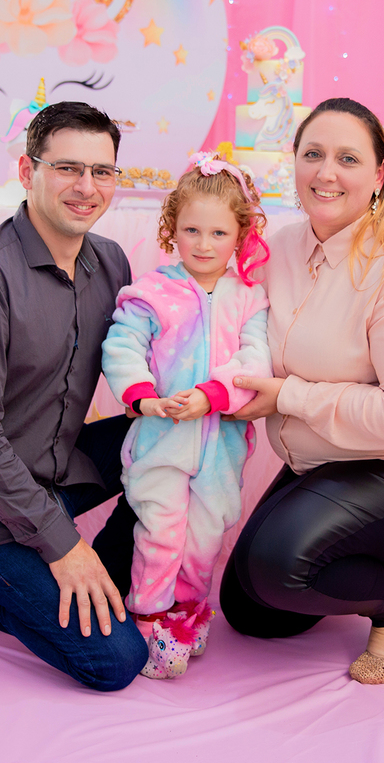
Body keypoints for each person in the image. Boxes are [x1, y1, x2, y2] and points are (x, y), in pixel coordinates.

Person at [218, 98, 384, 685]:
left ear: (380, 174)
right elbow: (234, 325)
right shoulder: (279, 248)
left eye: (347, 158)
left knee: (278, 567)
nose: (325, 172)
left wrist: (289, 396)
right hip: (329, 462)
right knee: (253, 613)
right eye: (312, 154)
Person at [0, 101, 149, 691]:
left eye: (102, 171)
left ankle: (97, 576)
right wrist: (64, 547)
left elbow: (136, 359)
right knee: (115, 661)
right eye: (67, 168)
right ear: (27, 171)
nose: (86, 187)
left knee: (178, 440)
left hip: (51, 462)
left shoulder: (111, 262)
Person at [101, 152, 272, 679]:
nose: (203, 244)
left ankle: (187, 612)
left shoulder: (250, 297)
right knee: (160, 531)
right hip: (161, 439)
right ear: (172, 227)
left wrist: (213, 394)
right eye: (191, 230)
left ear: (240, 235)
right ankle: (148, 617)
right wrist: (144, 396)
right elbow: (121, 345)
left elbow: (255, 359)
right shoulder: (153, 291)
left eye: (218, 233)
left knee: (205, 536)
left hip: (220, 444)